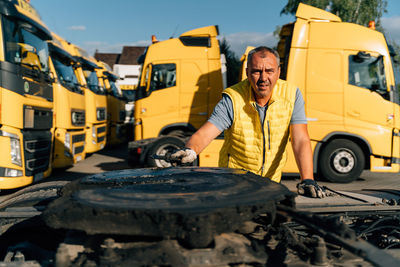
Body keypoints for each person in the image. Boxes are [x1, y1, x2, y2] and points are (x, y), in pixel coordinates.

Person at [171, 46, 325, 198]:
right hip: (233, 184)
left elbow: (300, 139)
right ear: (247, 73)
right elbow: (205, 133)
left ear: (278, 72)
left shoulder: (292, 95)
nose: (263, 78)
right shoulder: (233, 98)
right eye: (257, 71)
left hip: (270, 184)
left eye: (269, 71)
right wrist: (191, 150)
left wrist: (308, 179)